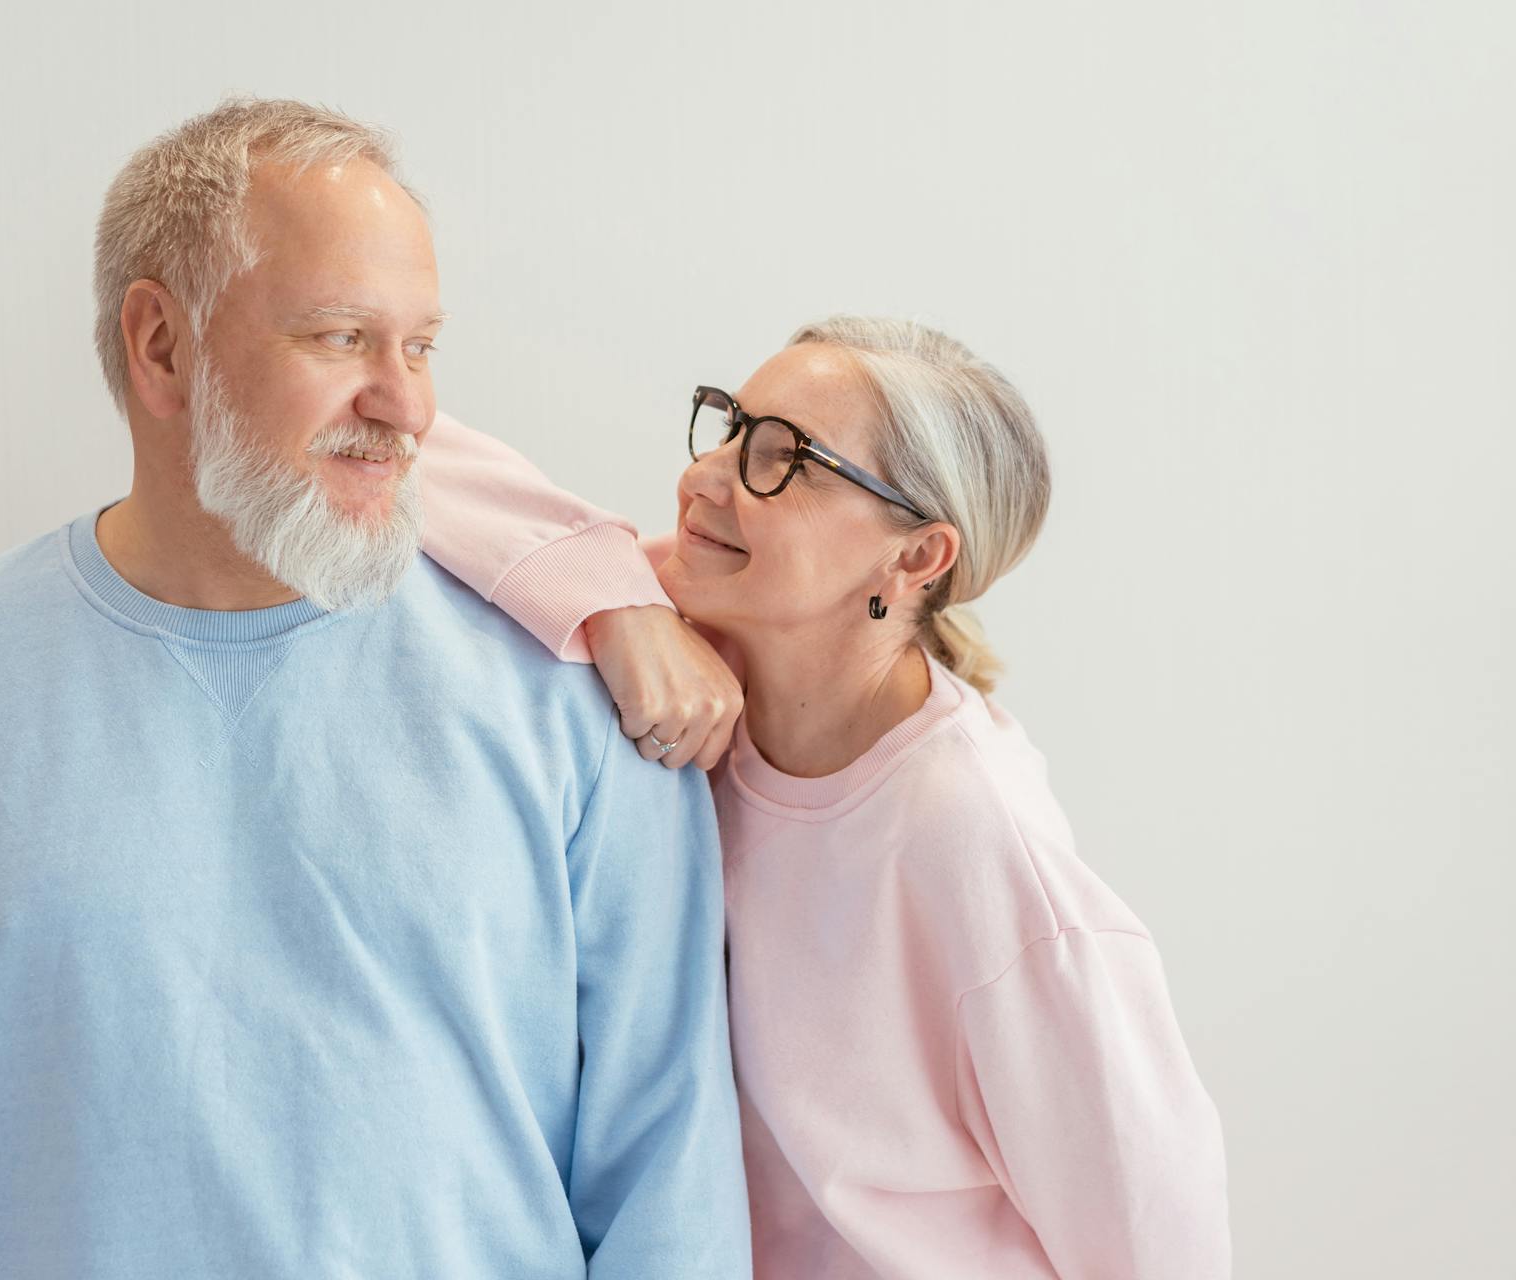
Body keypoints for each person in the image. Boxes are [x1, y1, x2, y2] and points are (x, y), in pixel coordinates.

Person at [0, 98, 751, 1278]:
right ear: (161, 346)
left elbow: (671, 1194)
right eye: (338, 337)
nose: (407, 403)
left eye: (419, 345)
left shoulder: (574, 690)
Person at [421, 316, 1233, 1277]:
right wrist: (617, 605)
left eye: (785, 460)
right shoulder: (690, 647)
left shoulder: (975, 845)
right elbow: (402, 449)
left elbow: (1158, 1246)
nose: (707, 477)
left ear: (917, 558)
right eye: (729, 428)